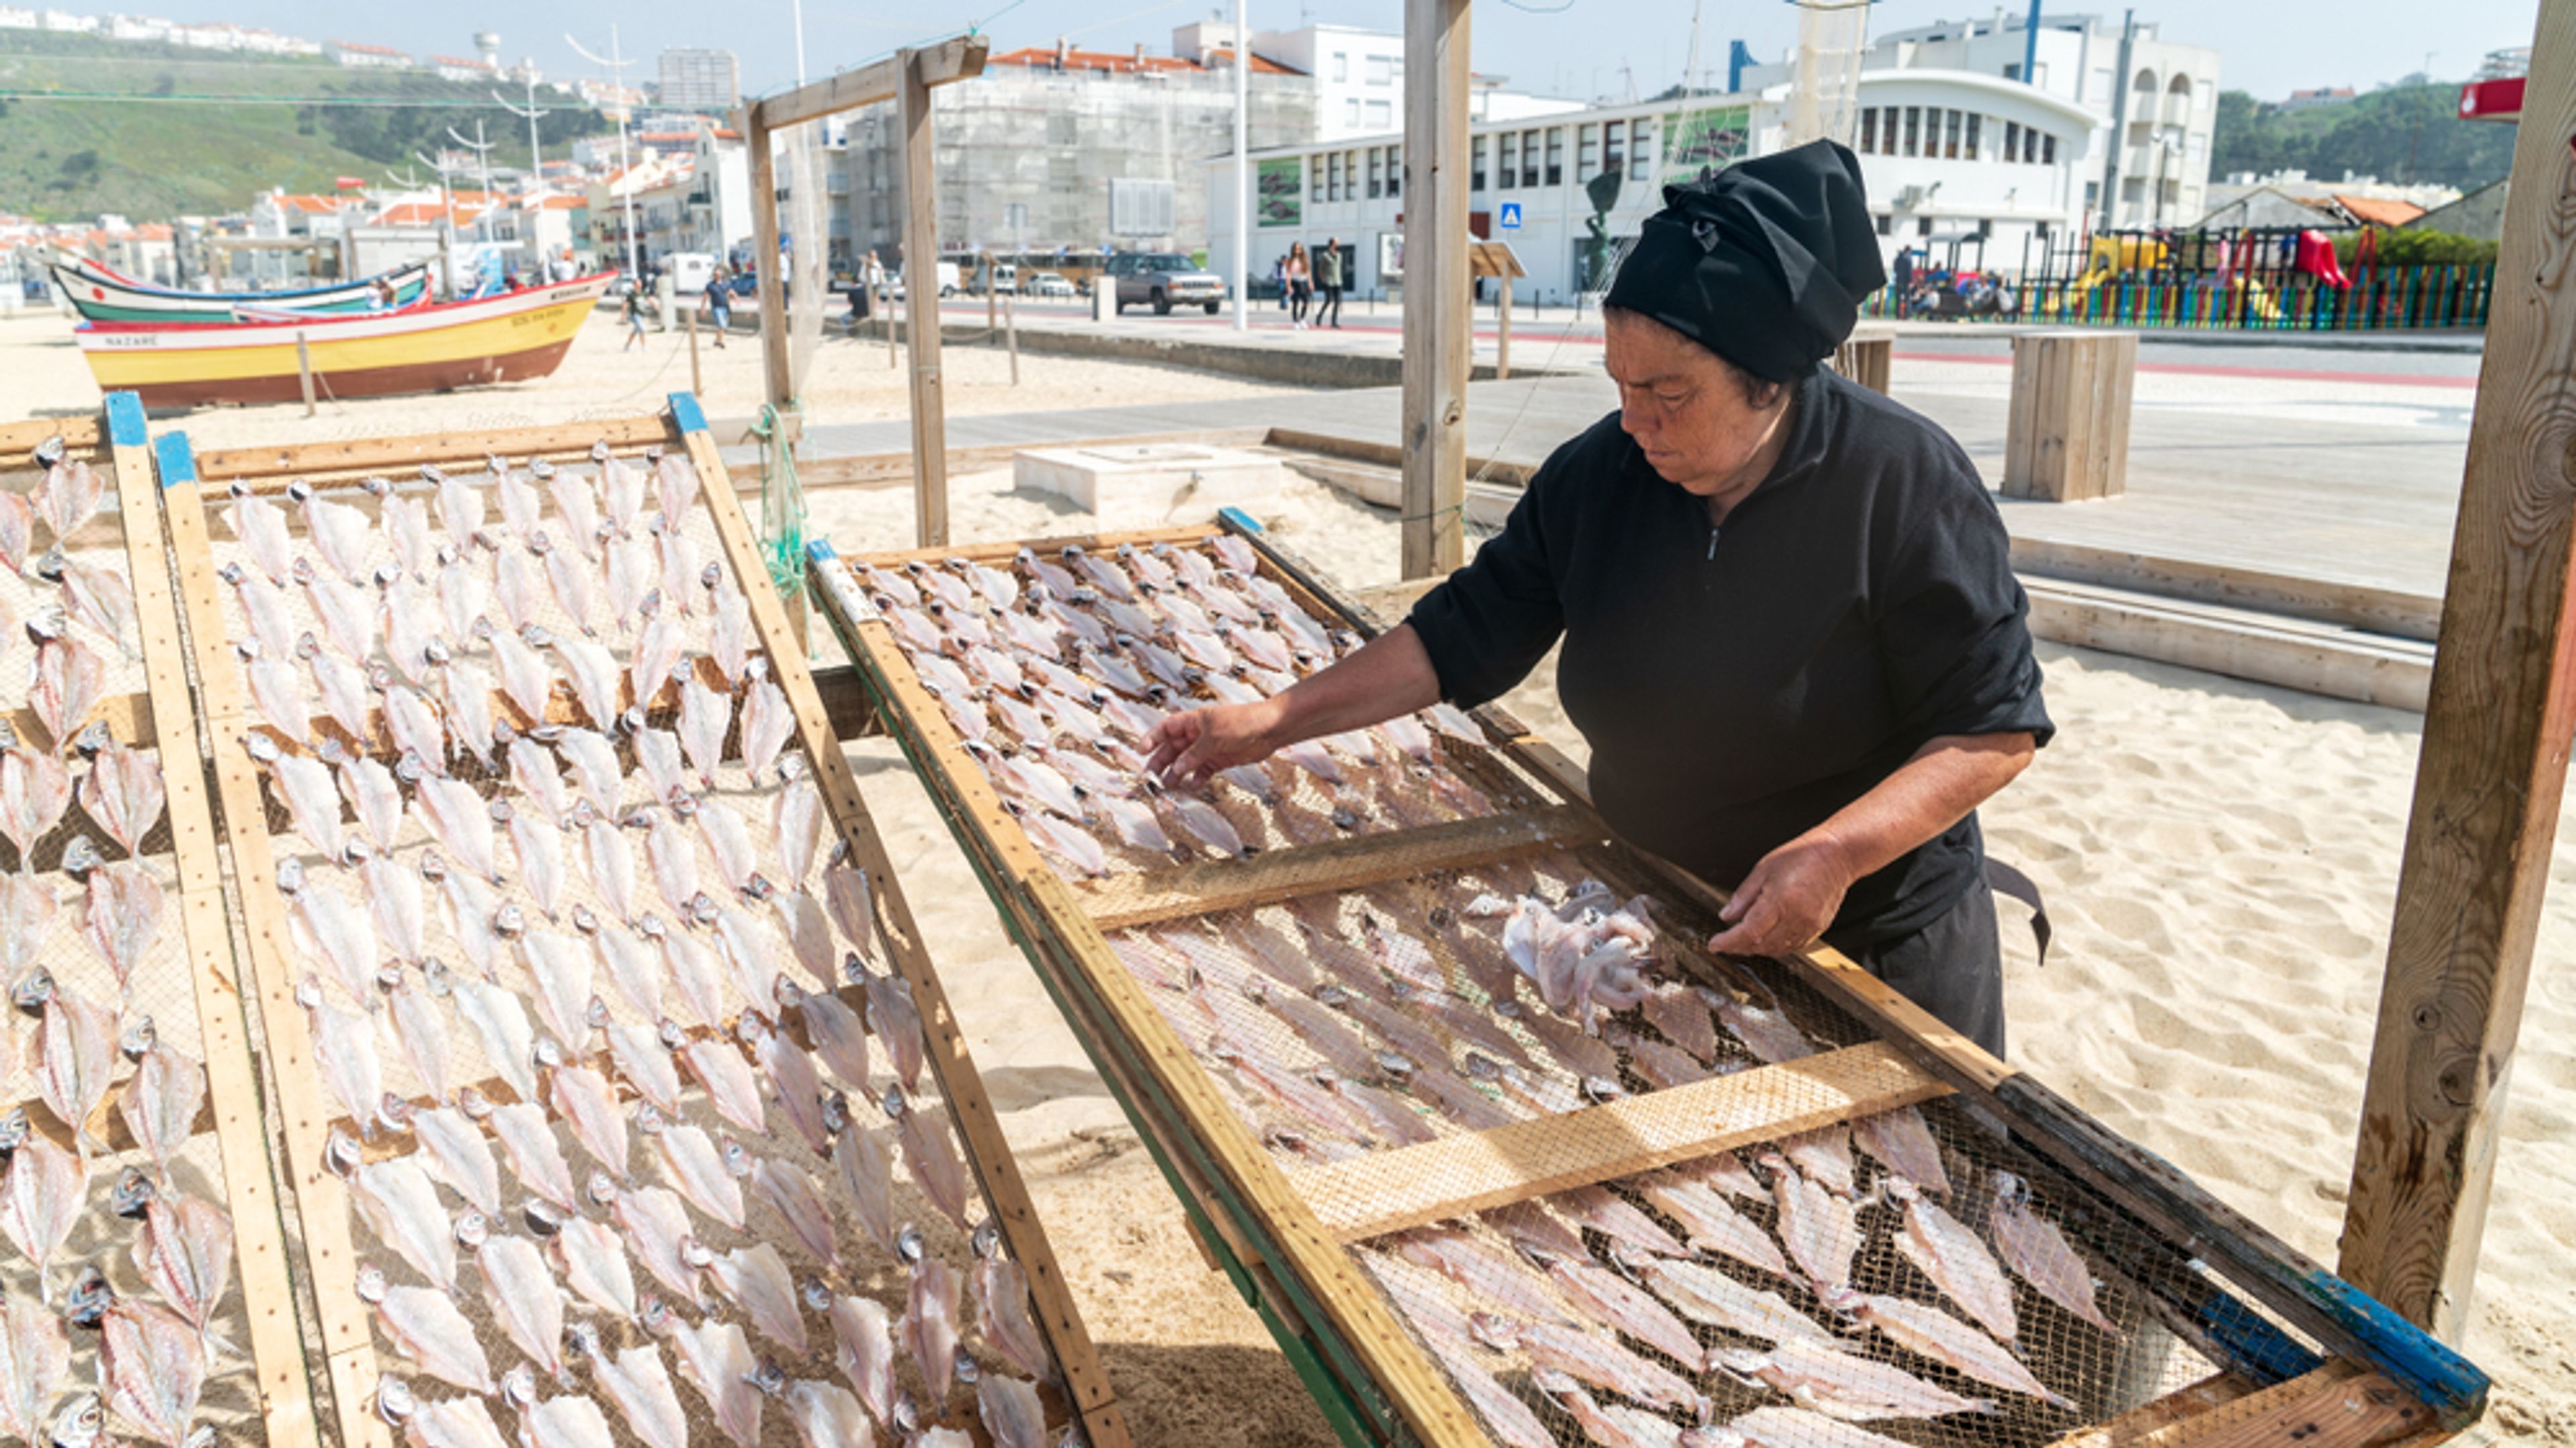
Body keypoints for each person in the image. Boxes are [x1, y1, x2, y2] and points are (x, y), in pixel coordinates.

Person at [1146, 142, 2051, 1056]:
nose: (1636, 420)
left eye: (1670, 392)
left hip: (1867, 928)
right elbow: (1461, 634)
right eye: (1621, 384)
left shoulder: (1903, 481)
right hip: (1654, 911)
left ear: (1772, 382)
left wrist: (1837, 853)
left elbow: (1992, 731)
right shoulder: (1601, 473)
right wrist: (1273, 720)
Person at [1316, 236, 1345, 328]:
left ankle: (1334, 322)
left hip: (1338, 281)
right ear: (1332, 243)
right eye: (1337, 242)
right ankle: (1319, 316)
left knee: (1337, 301)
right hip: (1328, 281)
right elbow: (1320, 269)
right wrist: (1323, 279)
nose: (1339, 243)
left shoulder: (1340, 255)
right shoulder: (1325, 255)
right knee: (1328, 300)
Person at [700, 265, 731, 348]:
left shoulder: (725, 284)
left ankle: (717, 340)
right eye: (715, 274)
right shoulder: (710, 285)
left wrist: (735, 298)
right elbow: (705, 297)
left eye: (717, 274)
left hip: (725, 307)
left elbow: (728, 293)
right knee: (721, 325)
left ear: (721, 274)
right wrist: (703, 308)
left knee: (721, 326)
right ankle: (721, 341)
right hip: (716, 307)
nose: (716, 275)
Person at [1286, 242, 1312, 328]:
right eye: (1295, 249)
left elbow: (1308, 272)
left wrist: (1311, 283)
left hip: (1304, 282)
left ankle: (1302, 319)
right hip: (1295, 282)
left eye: (1299, 249)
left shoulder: (1305, 259)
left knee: (1306, 302)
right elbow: (1289, 274)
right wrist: (1289, 285)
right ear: (1293, 250)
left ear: (1301, 250)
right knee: (1295, 303)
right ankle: (1295, 322)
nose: (1297, 251)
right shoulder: (1290, 261)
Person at [621, 282, 649, 351]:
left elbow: (650, 300)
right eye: (638, 284)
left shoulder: (643, 293)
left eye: (640, 284)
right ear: (635, 285)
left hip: (641, 315)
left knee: (635, 331)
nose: (640, 285)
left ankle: (627, 346)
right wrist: (623, 315)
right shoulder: (631, 295)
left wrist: (656, 307)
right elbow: (625, 304)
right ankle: (644, 346)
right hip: (634, 315)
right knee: (642, 329)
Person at [1890, 246, 1914, 319]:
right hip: (1906, 282)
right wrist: (1910, 281)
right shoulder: (1908, 259)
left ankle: (1897, 315)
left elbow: (1895, 269)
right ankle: (1907, 315)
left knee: (1898, 299)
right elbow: (1909, 271)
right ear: (1909, 250)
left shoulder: (1897, 259)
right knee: (1907, 299)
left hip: (1898, 280)